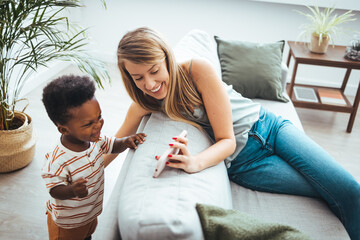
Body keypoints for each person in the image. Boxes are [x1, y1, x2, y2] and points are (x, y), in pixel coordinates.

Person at [107, 27, 360, 239]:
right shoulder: (143, 104)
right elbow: (113, 145)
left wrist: (196, 161)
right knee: (332, 193)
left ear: (166, 58)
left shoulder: (196, 70)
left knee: (349, 188)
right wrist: (78, 167)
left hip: (270, 127)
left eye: (154, 71)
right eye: (138, 78)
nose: (149, 85)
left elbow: (226, 138)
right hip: (246, 164)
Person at [41, 75, 146, 240]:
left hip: (90, 213)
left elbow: (113, 145)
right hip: (68, 223)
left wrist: (126, 141)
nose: (98, 125)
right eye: (88, 124)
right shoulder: (57, 160)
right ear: (64, 130)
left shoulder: (95, 140)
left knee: (87, 235)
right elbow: (54, 190)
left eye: (99, 117)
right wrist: (72, 190)